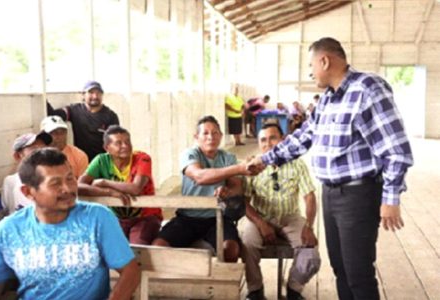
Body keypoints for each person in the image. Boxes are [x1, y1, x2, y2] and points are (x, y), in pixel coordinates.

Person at [247, 37, 414, 300]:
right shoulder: (327, 100)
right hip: (331, 194)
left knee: (358, 273)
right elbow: (304, 137)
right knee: (341, 270)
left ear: (325, 60)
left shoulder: (368, 88)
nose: (310, 72)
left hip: (358, 195)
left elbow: (396, 147)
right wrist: (265, 159)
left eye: (311, 65)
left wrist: (391, 197)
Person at [0, 148, 140, 300]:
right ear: (28, 192)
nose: (68, 189)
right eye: (55, 183)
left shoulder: (97, 217)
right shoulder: (9, 230)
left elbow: (130, 272)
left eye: (70, 178)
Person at [152, 116, 253, 262]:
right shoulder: (190, 155)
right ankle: (176, 282)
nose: (210, 137)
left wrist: (228, 192)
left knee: (231, 250)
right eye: (205, 133)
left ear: (221, 136)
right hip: (187, 218)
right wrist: (239, 168)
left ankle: (221, 284)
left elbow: (236, 186)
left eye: (215, 133)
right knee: (158, 247)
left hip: (218, 217)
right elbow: (200, 177)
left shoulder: (228, 157)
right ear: (196, 137)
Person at [242, 123, 320, 300]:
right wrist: (261, 223)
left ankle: (293, 289)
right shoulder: (252, 166)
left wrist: (308, 226)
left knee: (311, 254)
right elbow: (244, 202)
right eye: (263, 139)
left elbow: (310, 197)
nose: (268, 143)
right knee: (247, 243)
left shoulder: (297, 164)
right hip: (260, 217)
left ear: (283, 140)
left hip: (290, 217)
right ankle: (255, 290)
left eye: (273, 138)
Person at [78, 125, 162, 245]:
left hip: (145, 217)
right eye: (118, 143)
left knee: (137, 248)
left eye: (128, 141)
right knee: (111, 248)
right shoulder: (101, 160)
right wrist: (109, 192)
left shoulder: (142, 158)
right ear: (107, 148)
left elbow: (136, 189)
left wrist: (104, 182)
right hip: (116, 218)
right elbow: (78, 187)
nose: (125, 146)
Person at [47, 80, 119, 161]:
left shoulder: (111, 116)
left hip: (102, 163)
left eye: (98, 93)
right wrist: (44, 100)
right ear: (83, 94)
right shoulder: (74, 110)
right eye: (91, 92)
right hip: (81, 160)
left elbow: (116, 142)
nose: (95, 96)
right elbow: (54, 115)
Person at [1, 132, 52, 216]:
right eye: (34, 149)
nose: (42, 153)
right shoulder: (10, 182)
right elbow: (7, 212)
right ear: (18, 156)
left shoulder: (54, 180)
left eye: (43, 148)